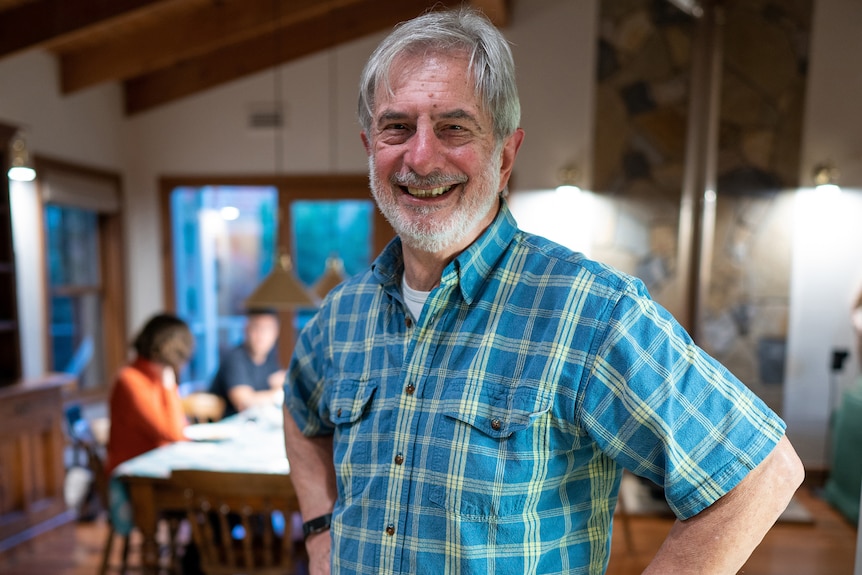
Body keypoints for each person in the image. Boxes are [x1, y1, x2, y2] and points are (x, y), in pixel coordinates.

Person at [282, 7, 804, 575]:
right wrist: (318, 533)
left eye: (455, 127)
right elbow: (298, 412)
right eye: (397, 127)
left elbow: (760, 473)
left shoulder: (592, 311)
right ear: (370, 147)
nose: (421, 156)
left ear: (505, 155)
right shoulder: (343, 313)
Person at [105, 313, 193, 476]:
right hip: (135, 474)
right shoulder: (131, 380)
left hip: (158, 464)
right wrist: (169, 385)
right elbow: (173, 433)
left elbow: (179, 428)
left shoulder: (153, 377)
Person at [210, 308, 286, 417]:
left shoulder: (269, 358)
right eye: (256, 328)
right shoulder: (235, 358)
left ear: (276, 333)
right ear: (246, 330)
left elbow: (279, 380)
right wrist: (278, 395)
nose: (261, 335)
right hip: (229, 428)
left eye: (267, 329)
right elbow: (244, 402)